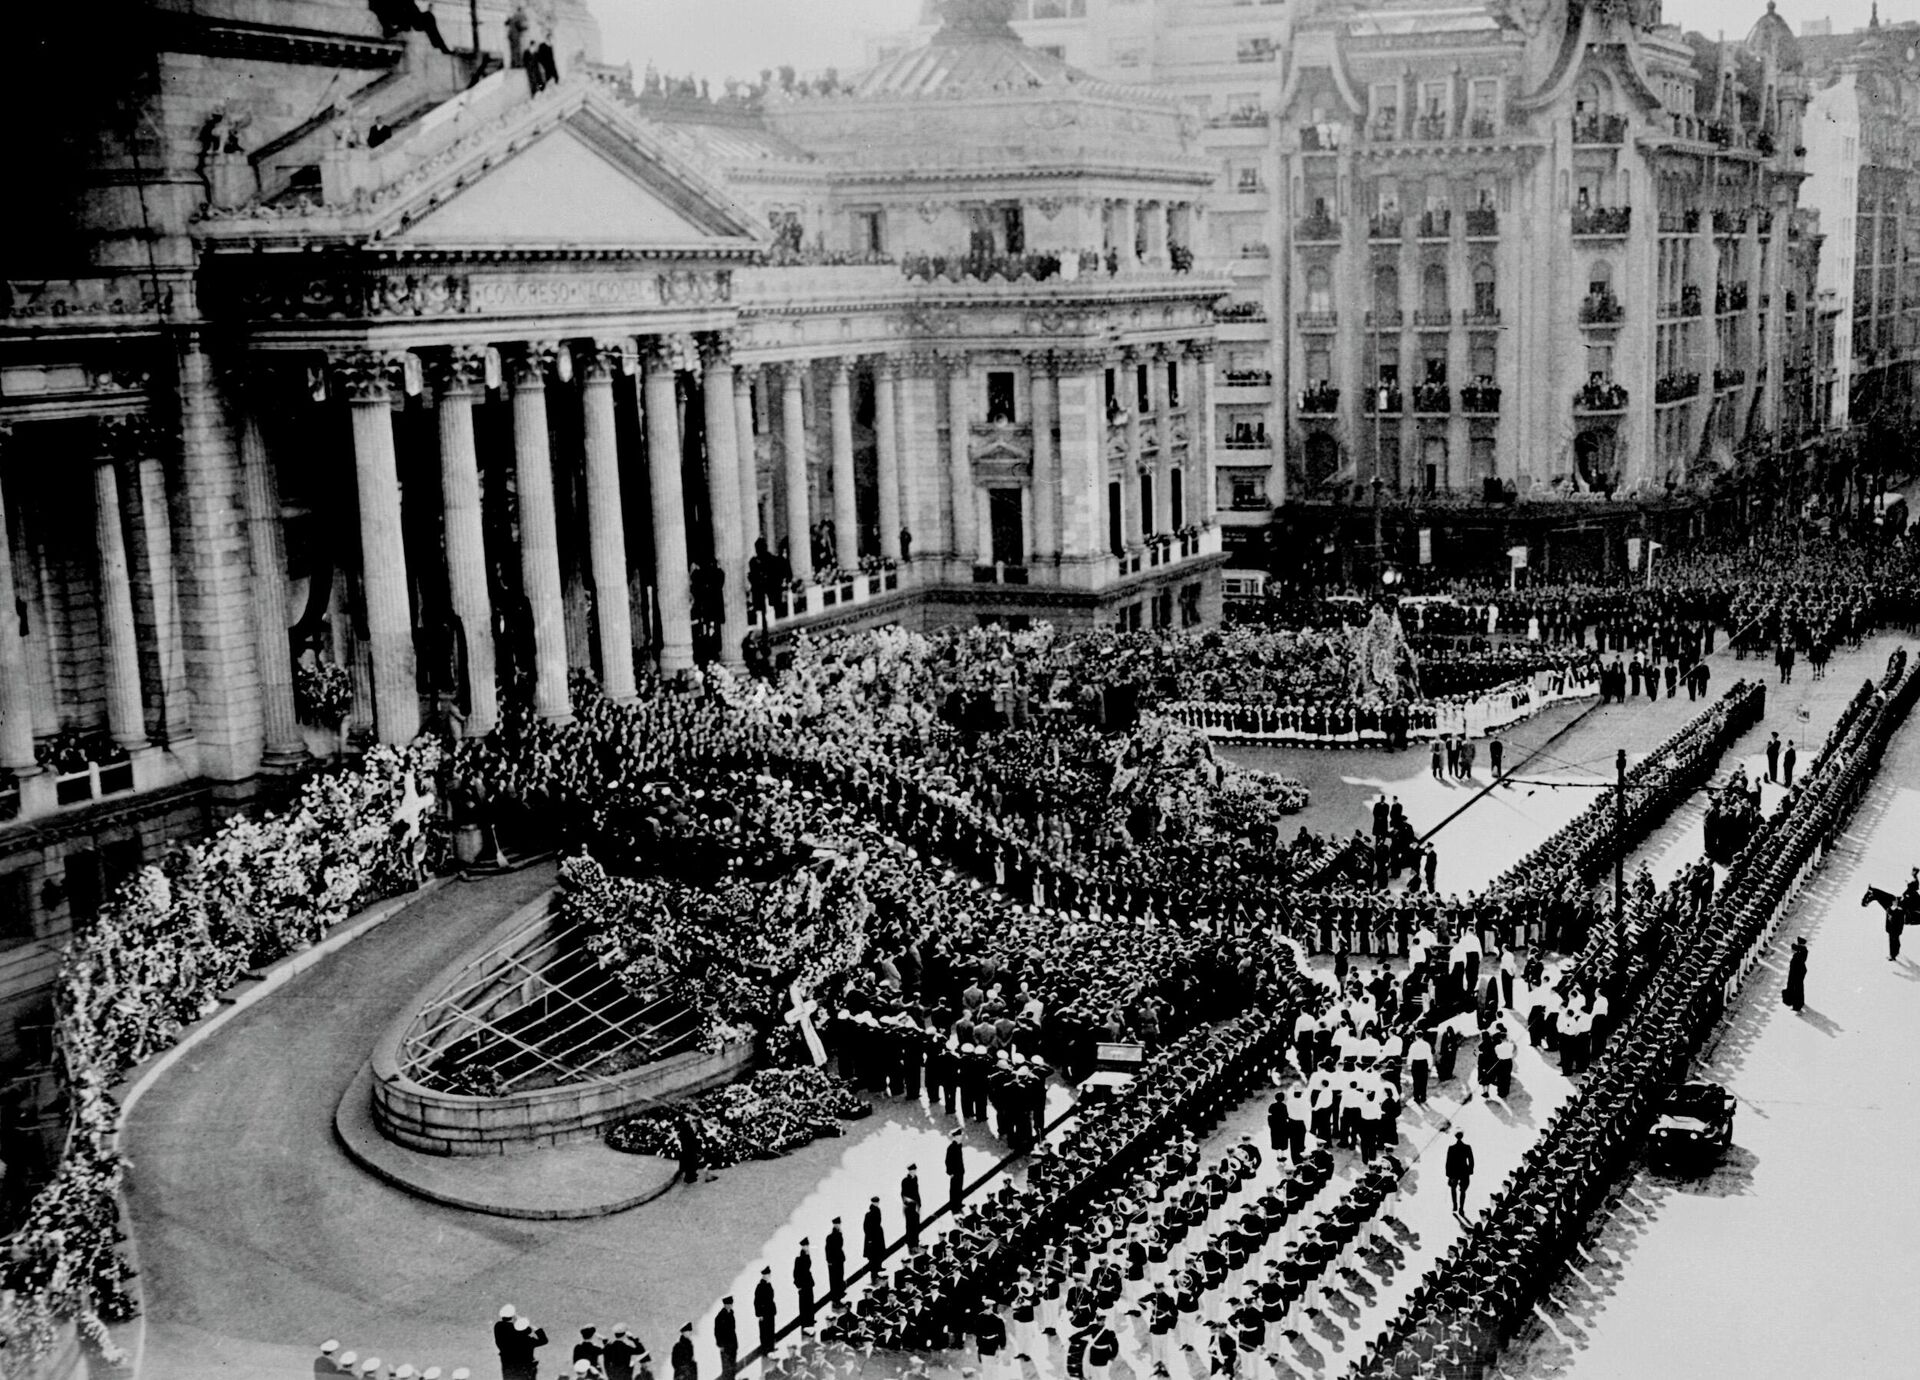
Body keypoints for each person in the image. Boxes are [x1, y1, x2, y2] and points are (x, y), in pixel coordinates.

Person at [1444, 1130, 1474, 1216]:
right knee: (1463, 1190)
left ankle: (1455, 1205)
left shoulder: (1451, 1148)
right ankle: (1461, 1207)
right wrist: (1470, 1171)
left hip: (1454, 1172)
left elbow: (1448, 1162)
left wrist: (1448, 1174)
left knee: (1453, 1188)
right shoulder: (1467, 1147)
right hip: (1464, 1171)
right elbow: (1471, 1160)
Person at [754, 1267, 778, 1353]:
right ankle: (766, 1350)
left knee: (771, 1330)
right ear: (764, 1275)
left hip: (770, 1312)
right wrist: (759, 1314)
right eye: (768, 1274)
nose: (769, 1276)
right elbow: (757, 1301)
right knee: (765, 1332)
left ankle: (771, 1348)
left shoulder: (768, 1284)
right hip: (764, 1314)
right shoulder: (760, 1287)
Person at [794, 1238, 816, 1325]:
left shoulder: (807, 1255)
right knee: (804, 1302)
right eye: (805, 1246)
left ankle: (810, 1319)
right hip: (803, 1283)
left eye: (807, 1245)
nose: (806, 1247)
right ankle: (805, 1319)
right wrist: (798, 1285)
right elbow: (796, 1273)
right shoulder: (799, 1258)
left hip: (808, 1282)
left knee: (809, 1301)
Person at [713, 1300, 738, 1380]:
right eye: (729, 1304)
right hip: (725, 1346)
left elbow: (733, 1329)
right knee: (727, 1368)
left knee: (732, 1366)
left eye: (731, 1304)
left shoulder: (731, 1314)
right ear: (725, 1305)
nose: (731, 1305)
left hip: (732, 1344)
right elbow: (717, 1332)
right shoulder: (720, 1317)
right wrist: (720, 1345)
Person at [676, 1114, 703, 1185]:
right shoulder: (687, 1129)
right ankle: (690, 1177)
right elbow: (692, 1139)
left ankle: (691, 1175)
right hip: (689, 1149)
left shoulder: (683, 1129)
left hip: (687, 1148)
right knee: (691, 1163)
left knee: (690, 1163)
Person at [1784, 935, 1809, 1009]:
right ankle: (1797, 1002)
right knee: (1798, 987)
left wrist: (1794, 946)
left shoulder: (1802, 951)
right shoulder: (1802, 950)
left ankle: (1798, 1005)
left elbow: (1796, 948)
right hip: (1798, 971)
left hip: (1798, 972)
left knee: (1798, 987)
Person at [825, 1217, 847, 1298]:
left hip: (839, 1258)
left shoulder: (839, 1234)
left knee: (840, 1275)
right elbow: (827, 1249)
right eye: (837, 1224)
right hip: (834, 1260)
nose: (838, 1225)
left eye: (839, 1224)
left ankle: (840, 1291)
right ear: (834, 1225)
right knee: (834, 1277)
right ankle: (836, 1293)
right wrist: (829, 1260)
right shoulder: (830, 1237)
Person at [901, 1163, 922, 1245]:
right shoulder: (905, 1181)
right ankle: (910, 1242)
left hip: (916, 1206)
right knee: (910, 1225)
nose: (913, 1172)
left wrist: (919, 1204)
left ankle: (915, 1240)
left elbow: (917, 1192)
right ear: (909, 1171)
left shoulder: (915, 1179)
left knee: (916, 1224)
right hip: (909, 1207)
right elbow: (903, 1195)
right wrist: (912, 1202)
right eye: (912, 1171)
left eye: (914, 1170)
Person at [946, 1129, 966, 1209]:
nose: (961, 1137)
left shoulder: (958, 1145)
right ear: (955, 1137)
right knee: (954, 1189)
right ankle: (954, 1205)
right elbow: (948, 1161)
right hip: (954, 1172)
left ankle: (958, 1203)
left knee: (959, 1188)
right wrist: (950, 1172)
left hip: (960, 1171)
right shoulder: (951, 1148)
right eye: (959, 1136)